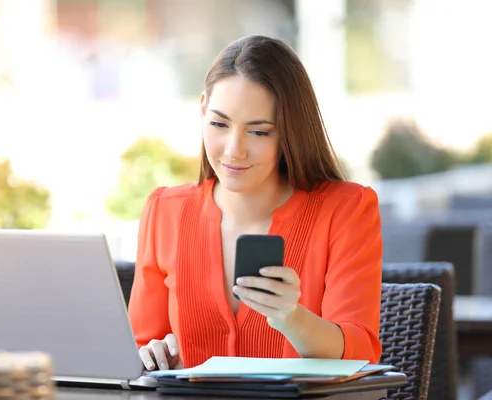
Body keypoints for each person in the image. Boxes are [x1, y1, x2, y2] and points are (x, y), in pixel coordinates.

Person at [127, 35, 382, 371]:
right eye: (219, 124)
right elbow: (137, 346)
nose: (234, 150)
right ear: (202, 109)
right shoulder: (165, 210)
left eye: (259, 132)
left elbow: (362, 352)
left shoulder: (346, 209)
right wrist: (151, 352)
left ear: (290, 131)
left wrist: (291, 318)